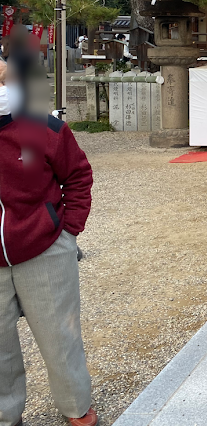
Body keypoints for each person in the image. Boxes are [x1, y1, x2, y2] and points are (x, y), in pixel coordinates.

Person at [0, 58, 98, 426]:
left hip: (44, 246)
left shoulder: (45, 129)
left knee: (61, 335)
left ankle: (76, 406)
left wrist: (69, 228)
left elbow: (77, 175)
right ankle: (5, 413)